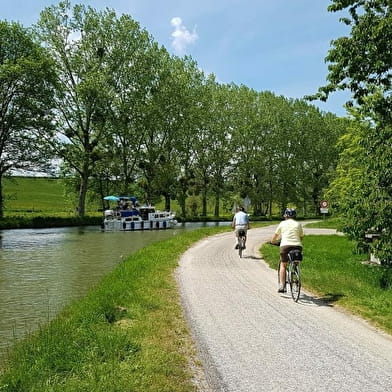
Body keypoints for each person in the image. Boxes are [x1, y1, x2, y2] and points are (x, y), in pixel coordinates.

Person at [270, 208, 304, 293]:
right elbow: (301, 236)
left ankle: (282, 286)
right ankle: (296, 275)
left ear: (285, 216)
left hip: (285, 246)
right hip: (297, 246)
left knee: (283, 265)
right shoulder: (298, 224)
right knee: (296, 261)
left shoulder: (282, 223)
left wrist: (272, 242)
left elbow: (275, 236)